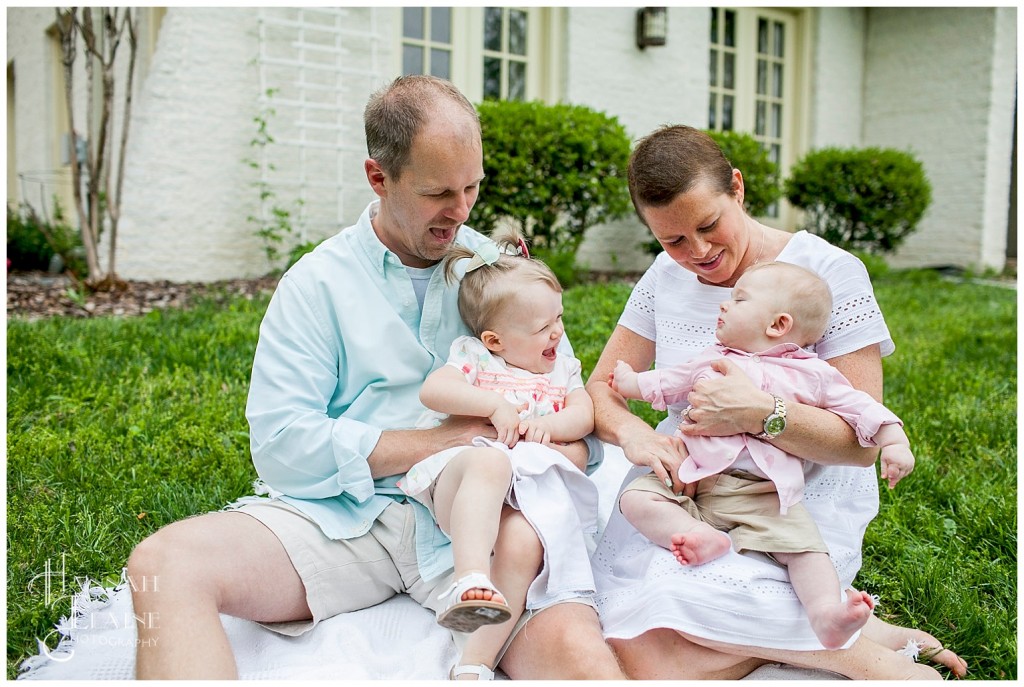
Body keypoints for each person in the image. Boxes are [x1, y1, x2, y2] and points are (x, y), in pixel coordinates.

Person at [125, 75, 623, 680]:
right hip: (346, 518)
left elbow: (573, 423)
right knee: (165, 563)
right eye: (439, 191)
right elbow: (283, 446)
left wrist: (544, 447)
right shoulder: (317, 284)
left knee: (583, 660)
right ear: (378, 177)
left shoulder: (502, 278)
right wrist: (450, 440)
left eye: (472, 187)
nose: (461, 211)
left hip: (486, 527)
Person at [586, 124, 968, 680]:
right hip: (692, 486)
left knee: (676, 637)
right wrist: (636, 436)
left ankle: (873, 661)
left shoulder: (828, 273)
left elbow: (860, 443)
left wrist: (761, 413)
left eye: (709, 225)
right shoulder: (665, 276)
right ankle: (862, 633)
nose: (698, 252)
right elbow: (601, 387)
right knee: (635, 645)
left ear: (736, 188)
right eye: (672, 240)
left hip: (794, 495)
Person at [609, 261, 916, 650]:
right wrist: (631, 382)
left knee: (805, 548)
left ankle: (826, 614)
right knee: (637, 497)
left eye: (739, 299)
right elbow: (669, 382)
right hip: (692, 476)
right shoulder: (716, 357)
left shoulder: (815, 375)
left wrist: (894, 441)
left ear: (777, 325)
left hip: (762, 492)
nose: (724, 305)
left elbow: (861, 408)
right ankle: (695, 534)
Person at [396, 225, 599, 677]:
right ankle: (470, 577)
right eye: (543, 327)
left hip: (523, 494)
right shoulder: (476, 358)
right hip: (466, 480)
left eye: (558, 319)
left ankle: (475, 663)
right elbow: (435, 390)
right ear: (495, 340)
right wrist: (492, 404)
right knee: (491, 460)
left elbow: (583, 414)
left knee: (524, 544)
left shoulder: (562, 369)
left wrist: (547, 425)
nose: (557, 334)